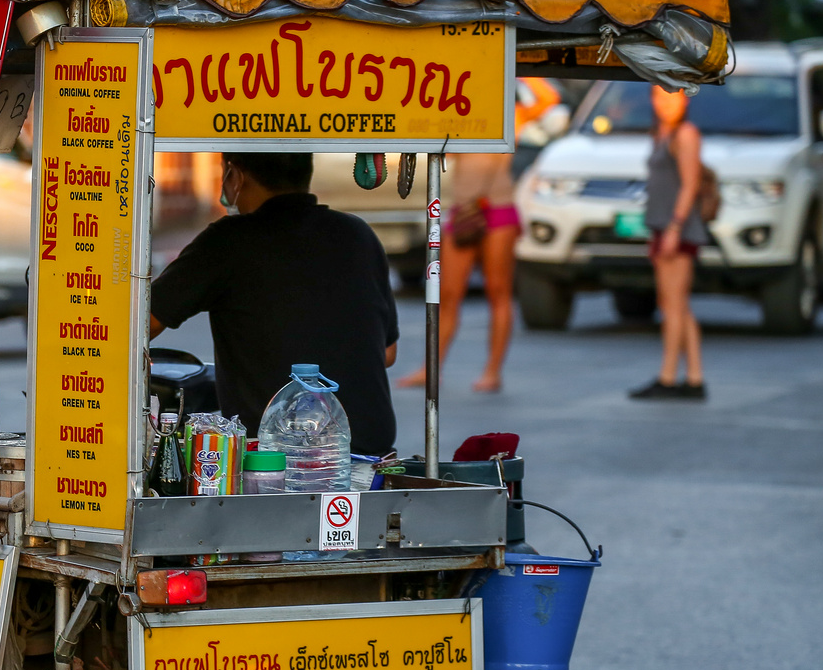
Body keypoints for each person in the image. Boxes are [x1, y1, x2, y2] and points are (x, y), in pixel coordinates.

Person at [149, 153, 399, 457]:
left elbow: (143, 324)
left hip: (275, 462)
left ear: (235, 176)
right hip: (369, 453)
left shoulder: (228, 241)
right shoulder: (358, 234)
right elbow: (386, 353)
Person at [397, 79, 560, 394]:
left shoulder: (510, 115)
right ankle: (431, 369)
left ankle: (492, 371)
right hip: (463, 212)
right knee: (446, 296)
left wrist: (516, 68)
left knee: (498, 292)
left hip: (499, 210)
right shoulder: (459, 117)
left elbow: (548, 97)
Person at [630, 85, 707, 399]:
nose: (666, 104)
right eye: (660, 96)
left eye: (673, 96)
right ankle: (694, 377)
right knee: (677, 304)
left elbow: (691, 185)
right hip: (663, 225)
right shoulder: (662, 132)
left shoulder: (685, 134)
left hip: (677, 227)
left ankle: (668, 377)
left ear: (684, 98)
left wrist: (675, 227)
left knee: (672, 304)